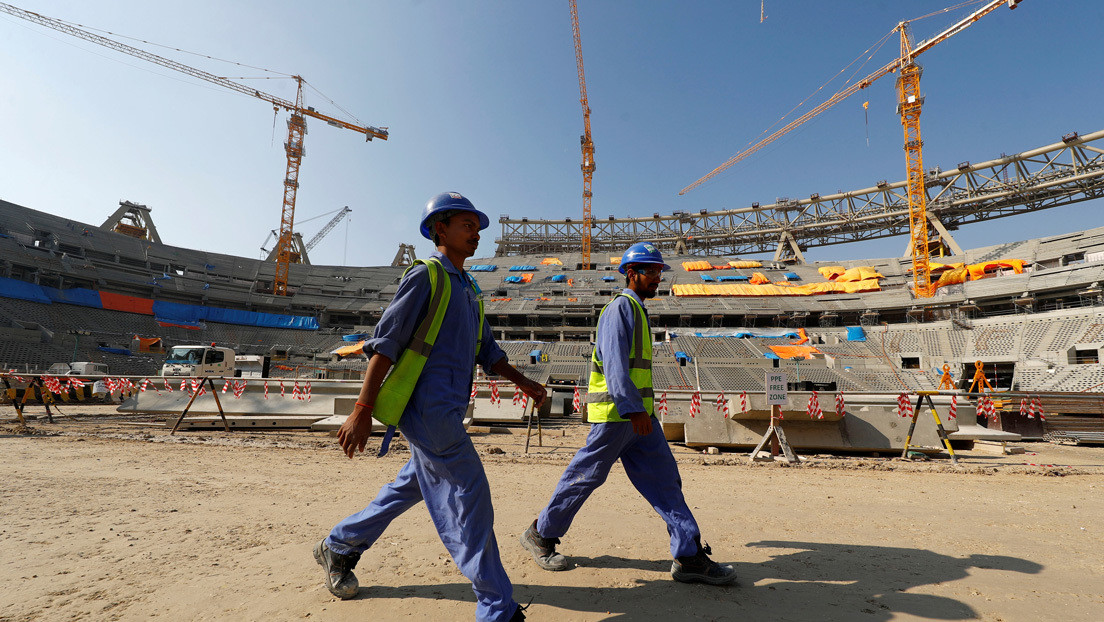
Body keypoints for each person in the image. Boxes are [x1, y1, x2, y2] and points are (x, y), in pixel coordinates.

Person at [315, 192, 547, 622]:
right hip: (427, 409)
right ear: (440, 228)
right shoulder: (427, 276)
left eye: (477, 227)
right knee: (470, 495)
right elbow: (385, 345)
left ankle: (339, 545)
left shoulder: (470, 289)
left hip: (446, 410)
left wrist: (525, 382)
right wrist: (363, 408)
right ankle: (497, 606)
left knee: (414, 484)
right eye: (466, 225)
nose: (475, 233)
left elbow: (489, 353)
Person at [520, 242, 736, 586]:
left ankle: (688, 556)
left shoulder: (637, 310)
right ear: (631, 274)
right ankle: (539, 534)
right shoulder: (620, 309)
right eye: (650, 271)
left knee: (666, 483)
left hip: (639, 420)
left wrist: (642, 413)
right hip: (617, 417)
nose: (656, 278)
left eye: (659, 272)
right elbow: (616, 364)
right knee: (584, 477)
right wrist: (633, 408)